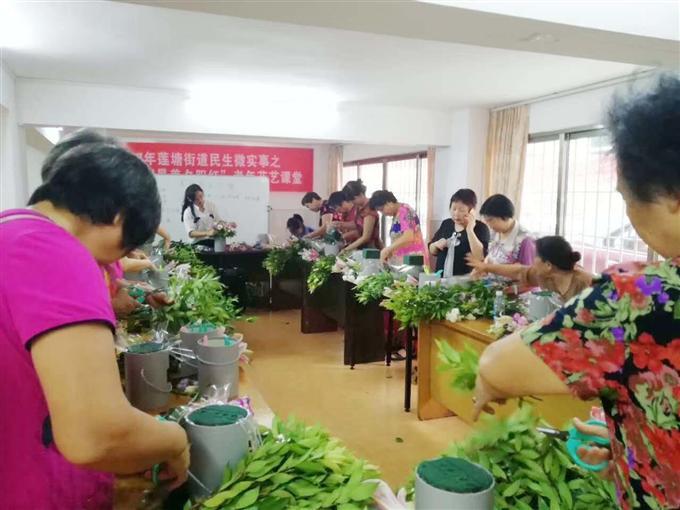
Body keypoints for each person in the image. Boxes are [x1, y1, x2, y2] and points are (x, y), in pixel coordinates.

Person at [472, 75, 680, 510]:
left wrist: (490, 380)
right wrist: (638, 440)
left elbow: (498, 366)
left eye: (627, 197)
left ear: (671, 196)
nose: (629, 211)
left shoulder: (648, 297)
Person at [0, 144, 189, 509]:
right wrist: (175, 440)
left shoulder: (11, 230)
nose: (116, 261)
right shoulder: (56, 253)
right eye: (126, 246)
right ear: (118, 216)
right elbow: (97, 434)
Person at [467, 236, 593, 303]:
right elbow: (518, 271)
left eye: (536, 256)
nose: (533, 260)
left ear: (548, 265)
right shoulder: (544, 275)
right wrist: (485, 267)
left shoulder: (585, 283)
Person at [429, 189, 490, 276]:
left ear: (471, 211)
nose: (456, 214)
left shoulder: (481, 228)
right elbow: (432, 250)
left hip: (466, 281)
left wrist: (470, 230)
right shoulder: (446, 224)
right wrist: (436, 245)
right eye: (453, 209)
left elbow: (480, 257)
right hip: (441, 279)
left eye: (461, 210)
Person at [369, 190, 428, 265]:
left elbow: (408, 237)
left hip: (412, 259)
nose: (383, 213)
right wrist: (390, 251)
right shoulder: (396, 214)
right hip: (401, 259)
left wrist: (388, 249)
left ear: (389, 203)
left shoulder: (405, 211)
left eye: (382, 210)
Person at [479, 194, 535, 266]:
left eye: (490, 220)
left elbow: (527, 270)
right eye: (486, 221)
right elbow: (490, 257)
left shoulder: (525, 240)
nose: (488, 225)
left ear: (505, 217)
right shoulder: (495, 233)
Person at [341, 179, 383, 252]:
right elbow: (358, 225)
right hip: (360, 246)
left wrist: (346, 249)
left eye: (353, 200)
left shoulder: (369, 210)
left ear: (361, 194)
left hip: (370, 249)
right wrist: (340, 224)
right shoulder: (359, 207)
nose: (352, 202)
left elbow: (366, 237)